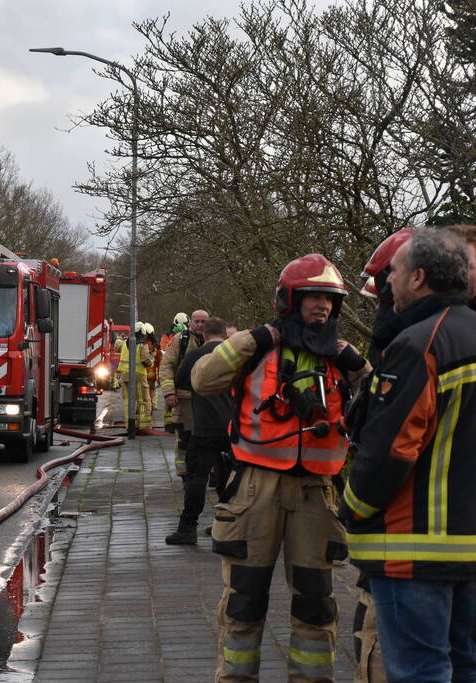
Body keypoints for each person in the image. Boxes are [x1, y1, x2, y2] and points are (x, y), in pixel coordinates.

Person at [192, 254, 370, 682]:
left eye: (329, 299)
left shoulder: (341, 360)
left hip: (317, 494)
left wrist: (358, 365)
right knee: (244, 602)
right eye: (312, 297)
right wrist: (255, 338)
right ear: (288, 299)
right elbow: (202, 379)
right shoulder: (258, 350)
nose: (322, 307)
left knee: (316, 604)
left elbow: (382, 403)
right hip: (256, 490)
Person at [341, 230, 476, 681]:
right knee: (465, 667)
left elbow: (391, 449)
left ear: (418, 278)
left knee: (420, 670)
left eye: (394, 273)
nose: (388, 284)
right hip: (470, 551)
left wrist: (354, 509)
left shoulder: (419, 343)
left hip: (414, 549)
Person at [344, 228, 416, 683]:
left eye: (379, 300)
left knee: (379, 644)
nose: (375, 311)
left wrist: (355, 508)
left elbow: (392, 446)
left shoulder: (411, 349)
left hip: (405, 533)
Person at [166, 316, 232, 545]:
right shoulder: (235, 355)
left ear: (204, 335)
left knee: (197, 477)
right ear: (225, 334)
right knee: (229, 478)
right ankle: (227, 527)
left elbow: (182, 381)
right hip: (232, 427)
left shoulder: (195, 355)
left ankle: (188, 529)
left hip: (203, 426)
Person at [160, 309, 208, 477]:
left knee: (207, 435)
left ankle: (205, 468)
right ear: (190, 323)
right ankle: (183, 468)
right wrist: (169, 393)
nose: (200, 325)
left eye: (204, 322)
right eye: (197, 321)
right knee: (184, 435)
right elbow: (166, 366)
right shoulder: (181, 341)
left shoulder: (215, 341)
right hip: (185, 397)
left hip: (208, 399)